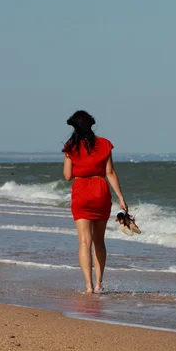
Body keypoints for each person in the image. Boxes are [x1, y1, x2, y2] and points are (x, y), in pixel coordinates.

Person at [63, 110, 127, 293]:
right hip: (100, 191)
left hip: (81, 192)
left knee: (85, 242)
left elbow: (67, 176)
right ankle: (99, 284)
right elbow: (110, 172)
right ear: (91, 125)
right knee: (99, 242)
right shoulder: (105, 144)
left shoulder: (70, 147)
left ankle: (89, 287)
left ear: (74, 127)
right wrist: (121, 198)